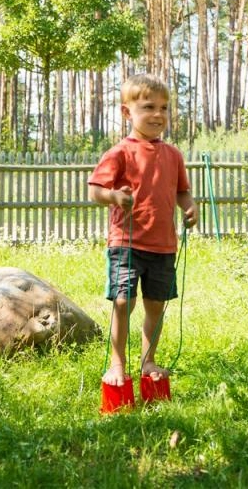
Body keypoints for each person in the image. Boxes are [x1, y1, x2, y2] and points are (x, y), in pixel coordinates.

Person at [88, 73, 198, 388]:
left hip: (163, 245)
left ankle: (148, 360)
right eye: (149, 107)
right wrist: (114, 196)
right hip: (126, 242)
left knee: (155, 305)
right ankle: (117, 363)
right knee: (123, 301)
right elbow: (95, 191)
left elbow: (182, 192)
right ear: (127, 112)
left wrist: (190, 207)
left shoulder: (173, 155)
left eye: (164, 108)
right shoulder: (119, 153)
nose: (158, 114)